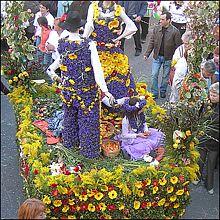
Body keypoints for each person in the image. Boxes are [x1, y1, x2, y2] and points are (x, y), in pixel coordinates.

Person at [46, 11, 115, 159]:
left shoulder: (62, 43)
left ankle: (70, 146)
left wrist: (57, 78)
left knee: (69, 119)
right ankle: (89, 154)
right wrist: (105, 91)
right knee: (88, 123)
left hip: (68, 93)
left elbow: (53, 67)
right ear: (79, 27)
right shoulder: (88, 44)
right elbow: (97, 70)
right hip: (87, 94)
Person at [83, 1, 137, 102]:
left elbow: (133, 27)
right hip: (98, 50)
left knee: (116, 78)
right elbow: (89, 25)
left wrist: (118, 38)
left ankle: (118, 104)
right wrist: (83, 41)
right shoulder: (94, 6)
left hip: (111, 52)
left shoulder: (117, 9)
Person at [144, 11, 182, 99]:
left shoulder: (175, 32)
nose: (160, 21)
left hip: (168, 58)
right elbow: (152, 42)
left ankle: (163, 91)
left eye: (162, 19)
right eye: (160, 19)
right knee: (154, 75)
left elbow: (178, 47)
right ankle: (154, 92)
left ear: (168, 20)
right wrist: (147, 54)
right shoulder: (156, 29)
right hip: (157, 57)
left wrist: (177, 60)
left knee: (165, 76)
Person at [117, 96, 165, 164]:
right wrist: (138, 135)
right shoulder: (126, 120)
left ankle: (153, 150)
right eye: (140, 109)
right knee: (148, 143)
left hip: (141, 133)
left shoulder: (140, 114)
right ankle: (130, 151)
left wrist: (146, 130)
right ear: (134, 111)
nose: (142, 109)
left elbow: (144, 123)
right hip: (132, 138)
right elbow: (124, 135)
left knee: (159, 134)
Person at [193, 82, 219, 195]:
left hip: (215, 140)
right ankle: (197, 177)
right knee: (200, 159)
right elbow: (198, 117)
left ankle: (209, 185)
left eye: (215, 95)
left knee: (211, 163)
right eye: (211, 94)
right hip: (203, 138)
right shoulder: (205, 103)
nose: (212, 97)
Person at [169, 31, 192, 103]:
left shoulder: (196, 50)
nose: (185, 46)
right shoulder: (179, 50)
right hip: (179, 76)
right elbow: (174, 63)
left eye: (187, 43)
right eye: (184, 43)